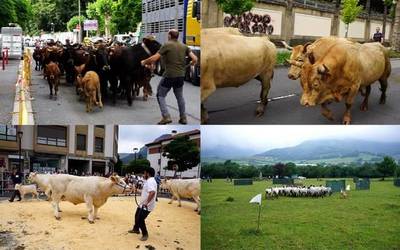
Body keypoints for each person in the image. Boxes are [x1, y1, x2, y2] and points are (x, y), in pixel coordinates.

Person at [141, 29, 198, 125]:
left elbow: (155, 57)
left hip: (169, 75)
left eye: (168, 34)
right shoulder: (184, 46)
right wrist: (188, 65)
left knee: (160, 95)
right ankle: (183, 118)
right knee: (180, 96)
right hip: (180, 76)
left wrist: (144, 62)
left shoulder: (167, 45)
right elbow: (195, 59)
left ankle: (166, 116)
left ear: (170, 36)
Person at [128, 167, 157, 241]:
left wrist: (146, 203)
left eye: (144, 173)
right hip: (142, 205)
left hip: (146, 206)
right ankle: (136, 229)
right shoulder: (149, 181)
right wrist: (136, 190)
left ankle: (145, 234)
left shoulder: (150, 181)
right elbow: (145, 192)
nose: (144, 175)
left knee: (140, 219)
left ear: (148, 173)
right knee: (136, 216)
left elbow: (152, 192)